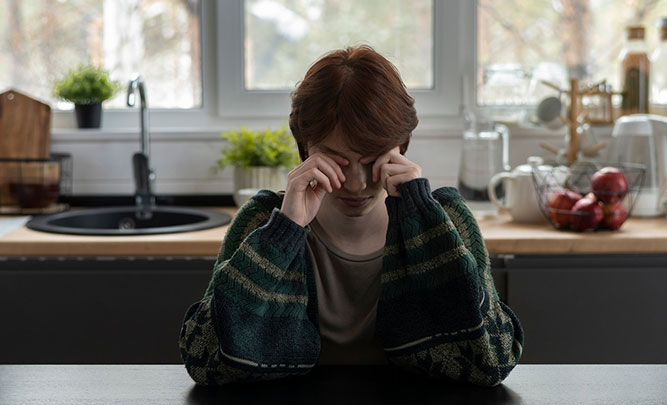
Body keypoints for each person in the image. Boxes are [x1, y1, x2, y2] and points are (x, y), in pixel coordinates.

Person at [178, 45, 524, 386]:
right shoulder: (262, 222)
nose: (357, 184)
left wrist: (422, 217)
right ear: (305, 149)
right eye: (337, 160)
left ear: (401, 146)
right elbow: (205, 361)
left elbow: (492, 360)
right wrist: (283, 233)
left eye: (372, 158)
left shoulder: (445, 220)